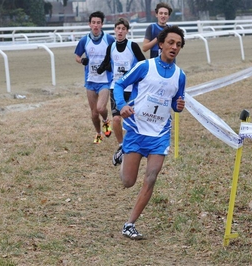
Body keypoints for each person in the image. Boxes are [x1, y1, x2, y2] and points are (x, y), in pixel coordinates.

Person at [114, 25, 186, 240]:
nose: (174, 47)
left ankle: (130, 224)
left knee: (151, 177)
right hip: (137, 129)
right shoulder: (145, 66)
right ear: (161, 44)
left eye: (179, 45)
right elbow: (119, 84)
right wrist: (122, 105)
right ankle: (122, 152)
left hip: (160, 134)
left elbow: (175, 103)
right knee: (128, 182)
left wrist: (178, 106)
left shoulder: (180, 76)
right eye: (171, 43)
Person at [96, 18, 146, 165]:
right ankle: (121, 146)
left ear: (127, 31)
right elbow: (106, 62)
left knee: (134, 118)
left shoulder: (133, 46)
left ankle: (137, 145)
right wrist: (101, 68)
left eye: (123, 29)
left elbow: (143, 63)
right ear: (114, 30)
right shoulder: (110, 47)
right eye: (118, 28)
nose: (120, 31)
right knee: (117, 119)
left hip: (132, 89)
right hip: (116, 87)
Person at [74, 11, 115, 144]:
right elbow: (77, 56)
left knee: (101, 108)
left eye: (98, 23)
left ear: (102, 24)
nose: (96, 25)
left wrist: (109, 65)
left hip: (105, 80)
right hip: (90, 81)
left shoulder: (108, 39)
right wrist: (82, 61)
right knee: (93, 113)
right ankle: (98, 133)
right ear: (89, 24)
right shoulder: (84, 40)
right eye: (93, 23)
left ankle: (106, 121)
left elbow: (115, 54)